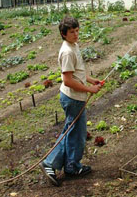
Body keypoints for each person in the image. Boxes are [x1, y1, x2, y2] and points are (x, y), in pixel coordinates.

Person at [39, 16, 102, 186]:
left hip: (75, 97)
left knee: (72, 132)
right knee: (76, 134)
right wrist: (90, 90)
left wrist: (91, 81)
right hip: (73, 98)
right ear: (63, 34)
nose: (75, 34)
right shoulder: (67, 52)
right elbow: (67, 80)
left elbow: (77, 73)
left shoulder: (73, 46)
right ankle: (58, 164)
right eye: (71, 32)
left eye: (76, 30)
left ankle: (68, 166)